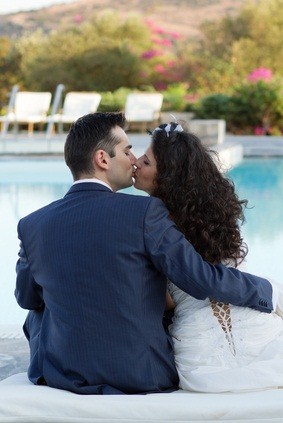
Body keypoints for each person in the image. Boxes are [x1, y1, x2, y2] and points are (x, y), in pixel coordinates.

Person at [15, 112, 275, 396]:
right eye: (127, 150)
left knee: (42, 301)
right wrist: (268, 290)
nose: (133, 159)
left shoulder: (32, 224)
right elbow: (199, 279)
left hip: (63, 373)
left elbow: (26, 298)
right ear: (103, 159)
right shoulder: (145, 212)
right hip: (143, 374)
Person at [134, 121, 283, 392]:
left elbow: (166, 300)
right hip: (249, 316)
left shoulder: (149, 224)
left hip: (201, 344)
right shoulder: (215, 214)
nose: (136, 164)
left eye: (145, 161)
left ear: (165, 176)